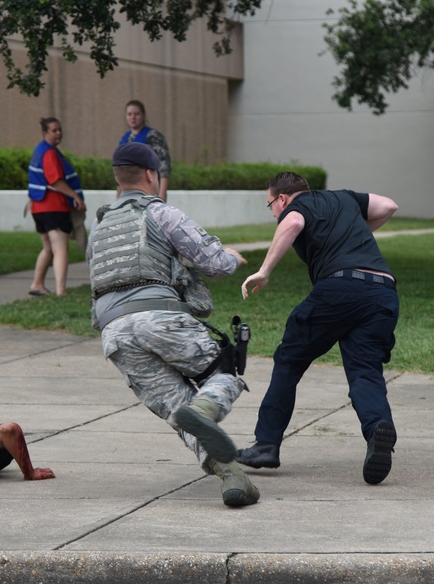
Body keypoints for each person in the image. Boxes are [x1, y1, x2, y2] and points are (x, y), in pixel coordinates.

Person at [87, 142, 259, 507]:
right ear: (152, 175)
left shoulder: (98, 229)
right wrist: (231, 257)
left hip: (115, 335)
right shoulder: (160, 214)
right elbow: (213, 263)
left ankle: (235, 478)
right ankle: (203, 410)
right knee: (222, 372)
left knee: (177, 409)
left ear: (117, 178)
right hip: (160, 318)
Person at [237, 172, 401, 485]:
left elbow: (293, 224)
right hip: (383, 290)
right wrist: (353, 233)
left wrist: (264, 271)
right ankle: (378, 427)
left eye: (270, 205)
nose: (273, 212)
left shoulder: (295, 210)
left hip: (340, 288)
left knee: (289, 360)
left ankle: (266, 445)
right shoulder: (344, 198)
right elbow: (388, 206)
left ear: (282, 199)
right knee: (365, 370)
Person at [27, 117, 86, 296]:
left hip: (38, 208)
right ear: (45, 133)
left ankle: (37, 284)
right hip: (54, 207)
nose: (58, 133)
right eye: (54, 130)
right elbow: (56, 180)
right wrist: (75, 196)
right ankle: (61, 290)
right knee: (61, 249)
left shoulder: (39, 151)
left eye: (60, 130)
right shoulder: (50, 153)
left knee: (48, 248)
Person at [119, 100, 171, 201]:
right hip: (129, 195)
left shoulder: (153, 136)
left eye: (136, 114)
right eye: (129, 114)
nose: (133, 117)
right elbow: (120, 170)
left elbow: (164, 167)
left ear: (143, 115)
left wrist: (161, 195)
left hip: (149, 193)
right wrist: (119, 197)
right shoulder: (125, 139)